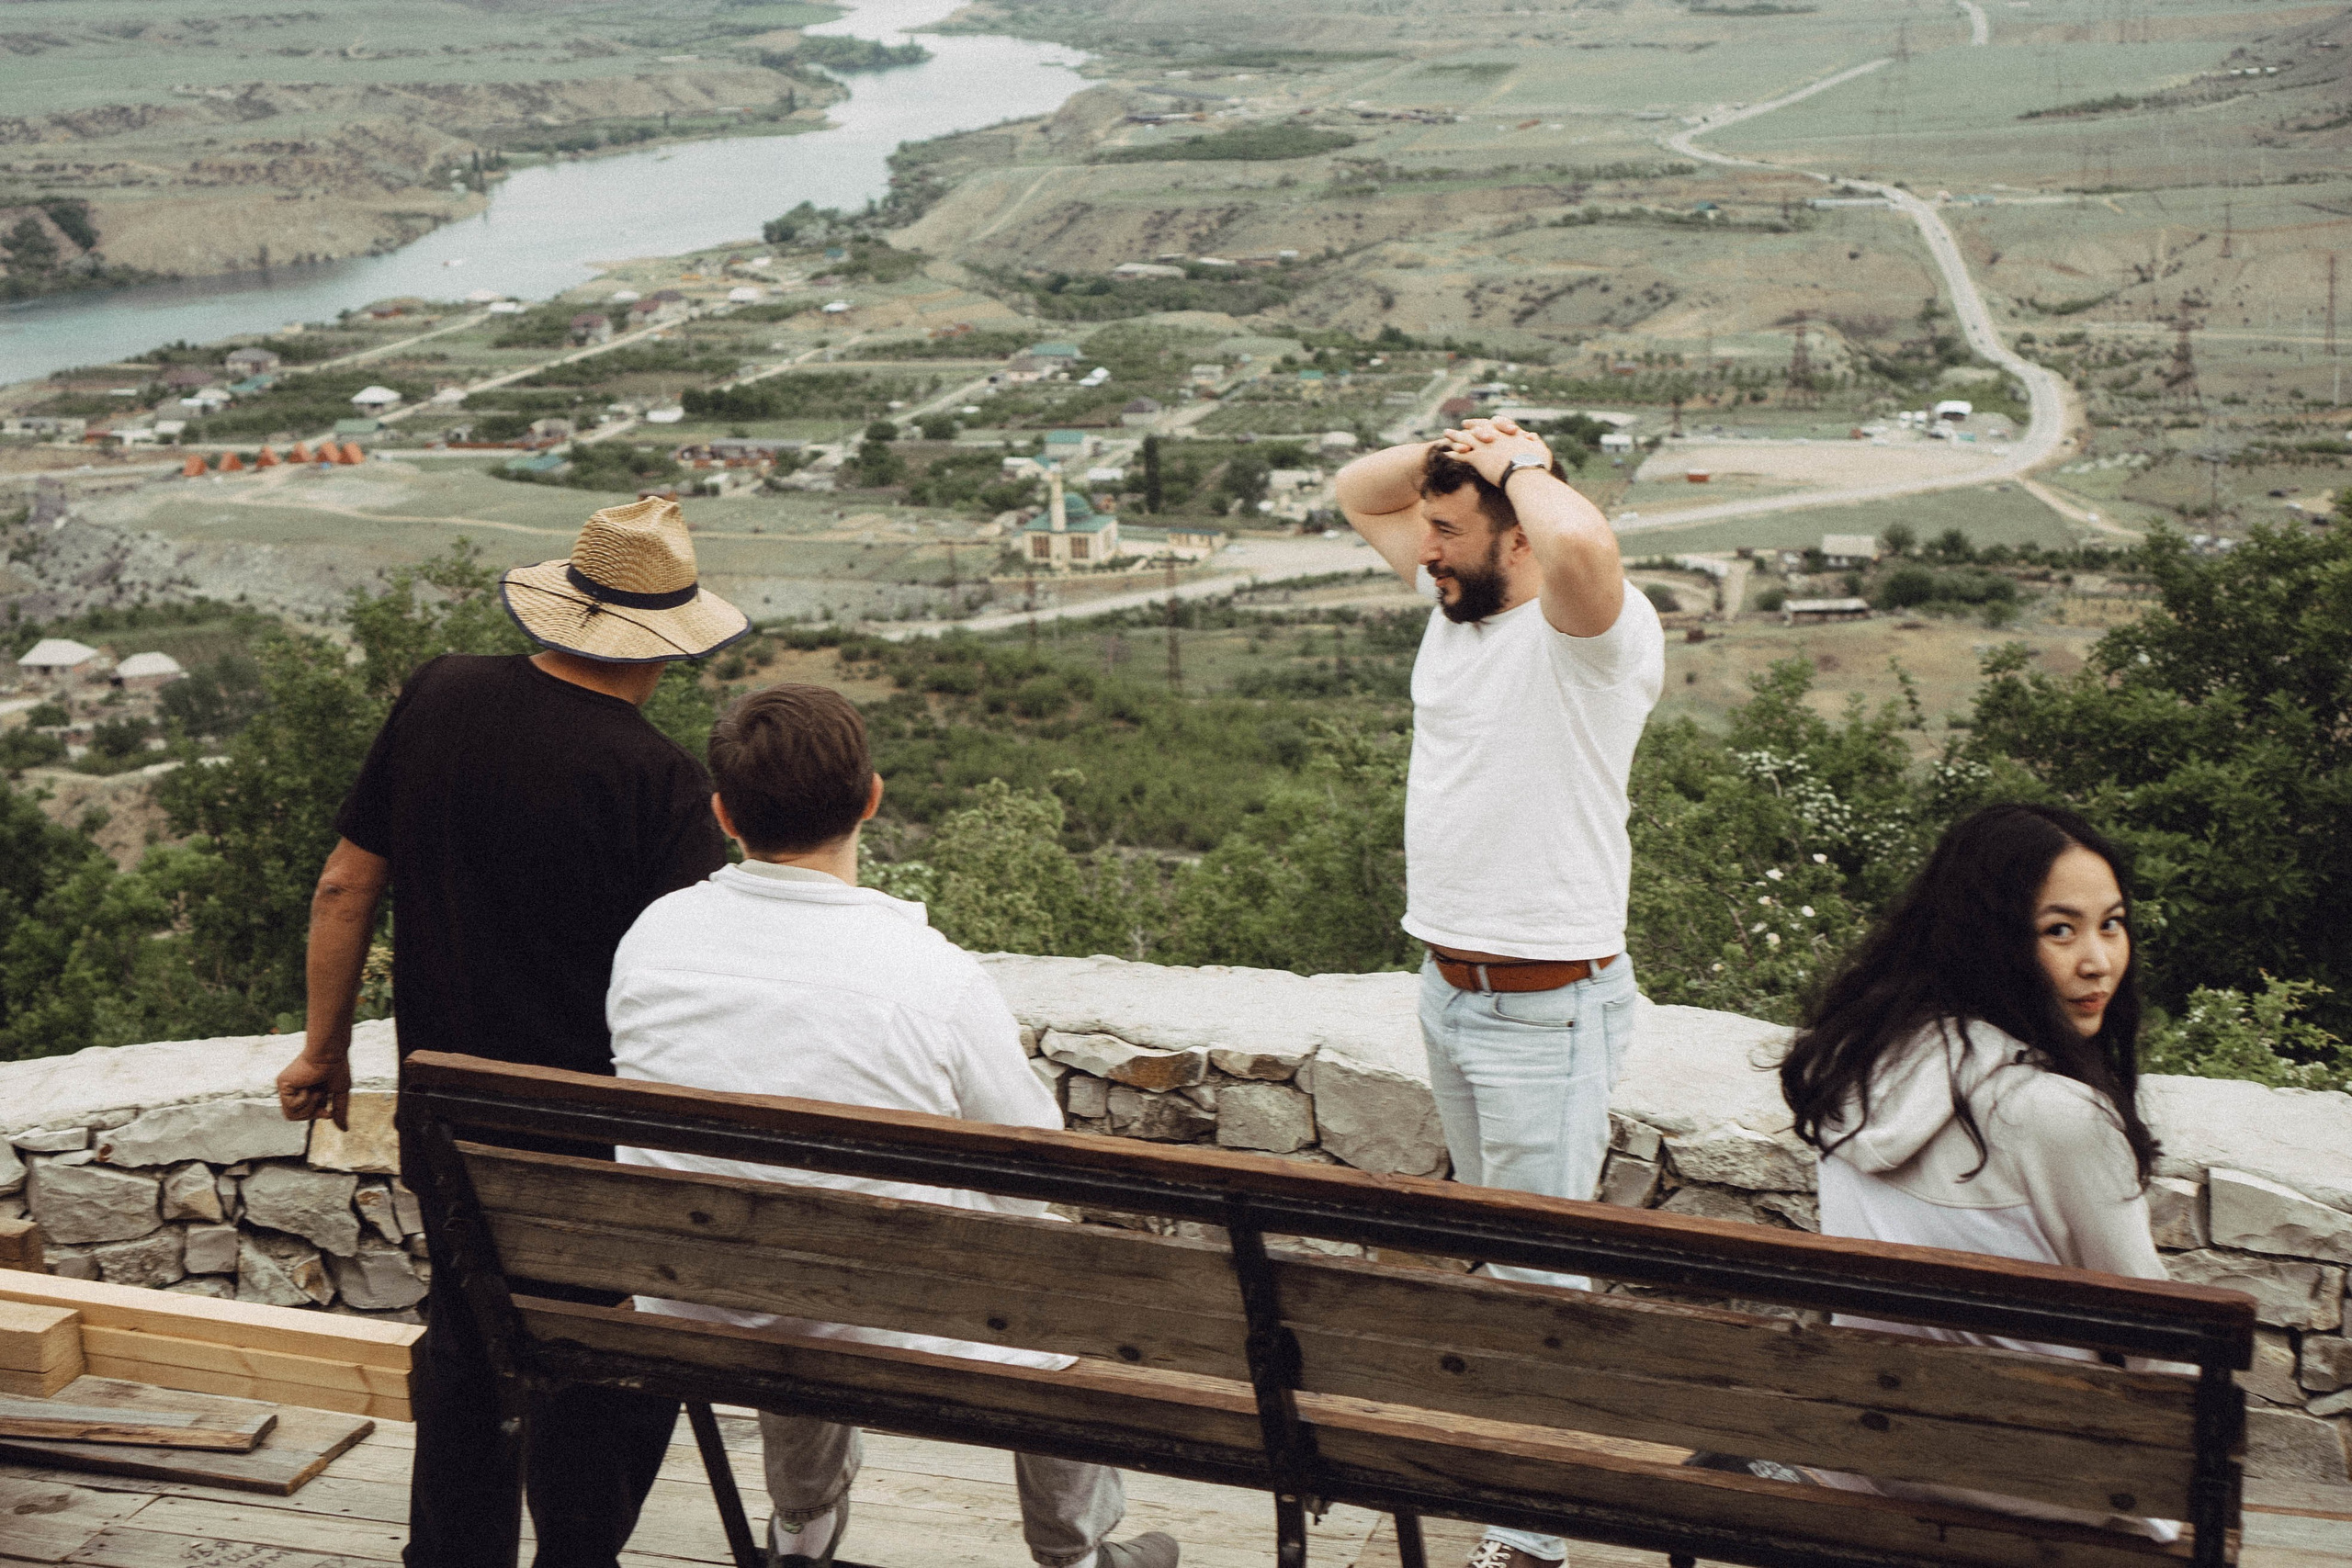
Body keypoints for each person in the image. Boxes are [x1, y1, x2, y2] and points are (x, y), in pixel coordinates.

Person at [274, 496, 751, 1568]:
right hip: (582, 1129)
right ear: (667, 641)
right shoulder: (664, 785)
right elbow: (684, 986)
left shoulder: (441, 693)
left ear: (566, 609)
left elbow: (346, 885)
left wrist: (325, 1046)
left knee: (467, 1334)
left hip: (446, 1113)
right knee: (603, 1346)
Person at [605, 683, 1179, 1568]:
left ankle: (801, 1528)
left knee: (787, 1247)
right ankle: (1076, 1552)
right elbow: (1040, 1158)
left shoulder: (653, 938)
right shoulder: (928, 972)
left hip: (694, 1297)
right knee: (1060, 1291)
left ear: (724, 814)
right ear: (871, 797)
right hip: (878, 1309)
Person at [1334, 417, 1664, 1568]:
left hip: (1545, 1009)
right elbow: (1353, 491)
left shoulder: (1586, 637)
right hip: (1452, 992)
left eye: (1448, 533)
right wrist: (1453, 443)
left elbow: (1585, 550)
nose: (1421, 550)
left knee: (1537, 1281)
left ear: (1516, 536)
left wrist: (1520, 465)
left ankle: (1529, 1541)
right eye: (1426, 532)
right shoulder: (1454, 607)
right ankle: (1511, 1483)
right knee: (1496, 1259)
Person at [1777, 802, 2181, 1540]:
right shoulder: (2054, 1116)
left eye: (2111, 922)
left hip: (1863, 1450)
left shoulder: (1854, 1064)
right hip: (2044, 1487)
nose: (2098, 960)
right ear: (1991, 940)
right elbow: (2160, 1343)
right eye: (2060, 930)